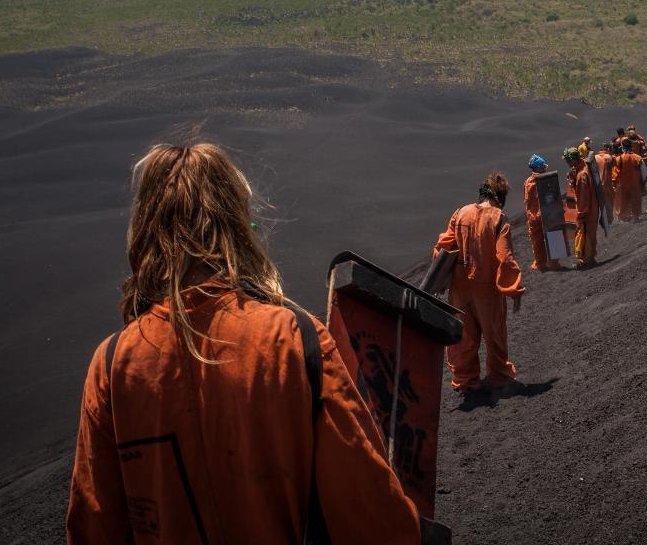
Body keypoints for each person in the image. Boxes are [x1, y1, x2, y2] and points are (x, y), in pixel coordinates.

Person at [66, 143, 418, 544]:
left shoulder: (112, 365)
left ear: (148, 230)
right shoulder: (293, 340)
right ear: (236, 225)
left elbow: (94, 527)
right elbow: (371, 516)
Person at [433, 172, 526, 394]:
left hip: (459, 288)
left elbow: (443, 246)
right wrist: (514, 289)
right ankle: (498, 376)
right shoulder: (499, 219)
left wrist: (438, 279)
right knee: (494, 335)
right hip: (487, 290)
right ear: (499, 197)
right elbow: (505, 257)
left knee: (464, 337)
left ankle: (465, 381)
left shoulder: (460, 213)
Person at [523, 154, 561, 271]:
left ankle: (540, 263)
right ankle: (554, 263)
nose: (545, 168)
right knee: (554, 235)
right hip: (546, 213)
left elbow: (527, 200)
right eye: (543, 167)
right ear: (538, 167)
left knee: (537, 240)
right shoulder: (545, 179)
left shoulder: (528, 182)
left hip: (532, 216)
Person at [564, 147, 598, 267]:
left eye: (568, 160)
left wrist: (580, 214)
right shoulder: (583, 166)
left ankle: (586, 261)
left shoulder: (581, 175)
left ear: (573, 160)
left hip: (587, 210)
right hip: (592, 207)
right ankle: (591, 257)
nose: (567, 163)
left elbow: (583, 196)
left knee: (585, 235)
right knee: (590, 234)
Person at [613, 139, 646, 222]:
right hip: (635, 185)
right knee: (636, 200)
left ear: (623, 147)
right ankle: (636, 216)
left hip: (623, 185)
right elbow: (645, 174)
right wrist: (642, 185)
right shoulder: (638, 158)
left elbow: (614, 175)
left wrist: (614, 185)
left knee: (624, 201)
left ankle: (624, 218)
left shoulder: (619, 159)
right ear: (631, 147)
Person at [594, 142, 615, 209]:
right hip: (607, 183)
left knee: (603, 202)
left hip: (598, 184)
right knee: (610, 200)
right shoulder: (608, 157)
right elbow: (614, 166)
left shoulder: (595, 157)